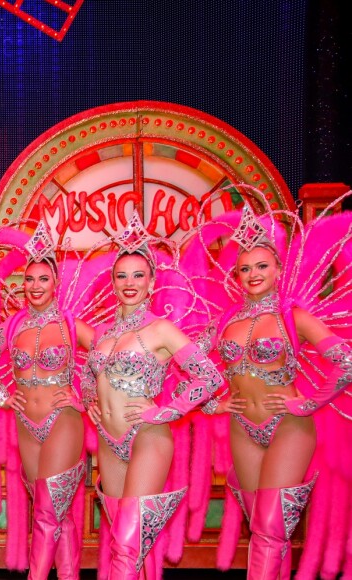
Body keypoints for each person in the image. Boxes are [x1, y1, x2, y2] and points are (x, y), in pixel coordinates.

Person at [198, 230, 351, 580]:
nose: (253, 275)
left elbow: (347, 361)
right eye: (245, 269)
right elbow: (183, 360)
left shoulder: (293, 317)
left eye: (262, 266)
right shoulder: (224, 322)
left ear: (279, 269)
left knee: (269, 526)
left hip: (288, 427)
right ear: (235, 276)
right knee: (267, 529)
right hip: (243, 430)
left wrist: (311, 402)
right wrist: (211, 405)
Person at [81, 215, 224, 579]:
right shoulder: (102, 334)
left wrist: (168, 409)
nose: (130, 283)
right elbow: (86, 375)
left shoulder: (161, 329)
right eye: (122, 275)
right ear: (112, 282)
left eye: (138, 275)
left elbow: (209, 375)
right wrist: (90, 403)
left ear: (152, 282)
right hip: (109, 442)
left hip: (148, 437)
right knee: (125, 540)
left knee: (127, 544)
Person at [0, 221, 93, 580]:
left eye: (43, 279)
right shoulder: (12, 326)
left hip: (63, 420)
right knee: (56, 512)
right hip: (26, 426)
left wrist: (85, 395)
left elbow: (109, 355)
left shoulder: (70, 325)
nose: (35, 287)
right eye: (29, 280)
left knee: (46, 511)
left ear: (55, 283)